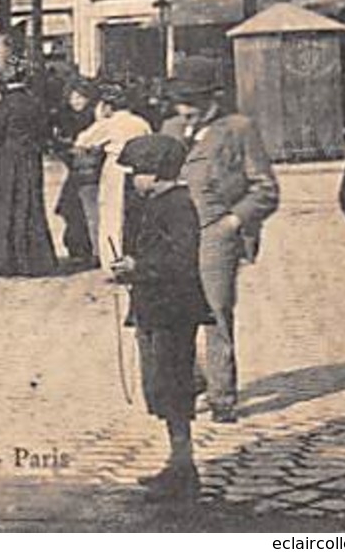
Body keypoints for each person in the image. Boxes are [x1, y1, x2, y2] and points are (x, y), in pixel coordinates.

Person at [161, 55, 279, 425]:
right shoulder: (169, 128)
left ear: (214, 97)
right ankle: (192, 382)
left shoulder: (239, 129)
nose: (185, 109)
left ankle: (222, 397)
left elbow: (265, 190)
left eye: (193, 100)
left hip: (216, 232)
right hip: (176, 233)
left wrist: (233, 222)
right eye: (180, 100)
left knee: (215, 313)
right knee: (176, 311)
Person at [109, 134, 216, 502]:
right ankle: (178, 464)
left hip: (173, 310)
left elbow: (183, 260)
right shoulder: (153, 203)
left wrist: (139, 265)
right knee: (162, 386)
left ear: (155, 174)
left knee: (174, 386)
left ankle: (185, 470)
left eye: (137, 172)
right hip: (153, 307)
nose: (133, 180)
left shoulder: (178, 205)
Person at [0, 58, 57, 276]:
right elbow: (45, 131)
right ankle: (36, 260)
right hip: (31, 157)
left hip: (9, 159)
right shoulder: (35, 102)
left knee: (8, 205)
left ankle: (9, 261)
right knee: (32, 206)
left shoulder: (6, 104)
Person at [75, 83, 154, 269]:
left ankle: (113, 260)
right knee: (135, 216)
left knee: (112, 214)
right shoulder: (140, 122)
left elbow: (82, 142)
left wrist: (98, 118)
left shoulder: (108, 123)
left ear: (108, 106)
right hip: (139, 169)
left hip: (116, 168)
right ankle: (134, 258)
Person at [52, 79, 100, 269]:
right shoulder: (65, 117)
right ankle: (77, 248)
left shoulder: (93, 117)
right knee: (71, 208)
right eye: (73, 98)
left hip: (89, 168)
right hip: (75, 167)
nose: (76, 102)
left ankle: (86, 248)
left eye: (80, 98)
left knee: (82, 207)